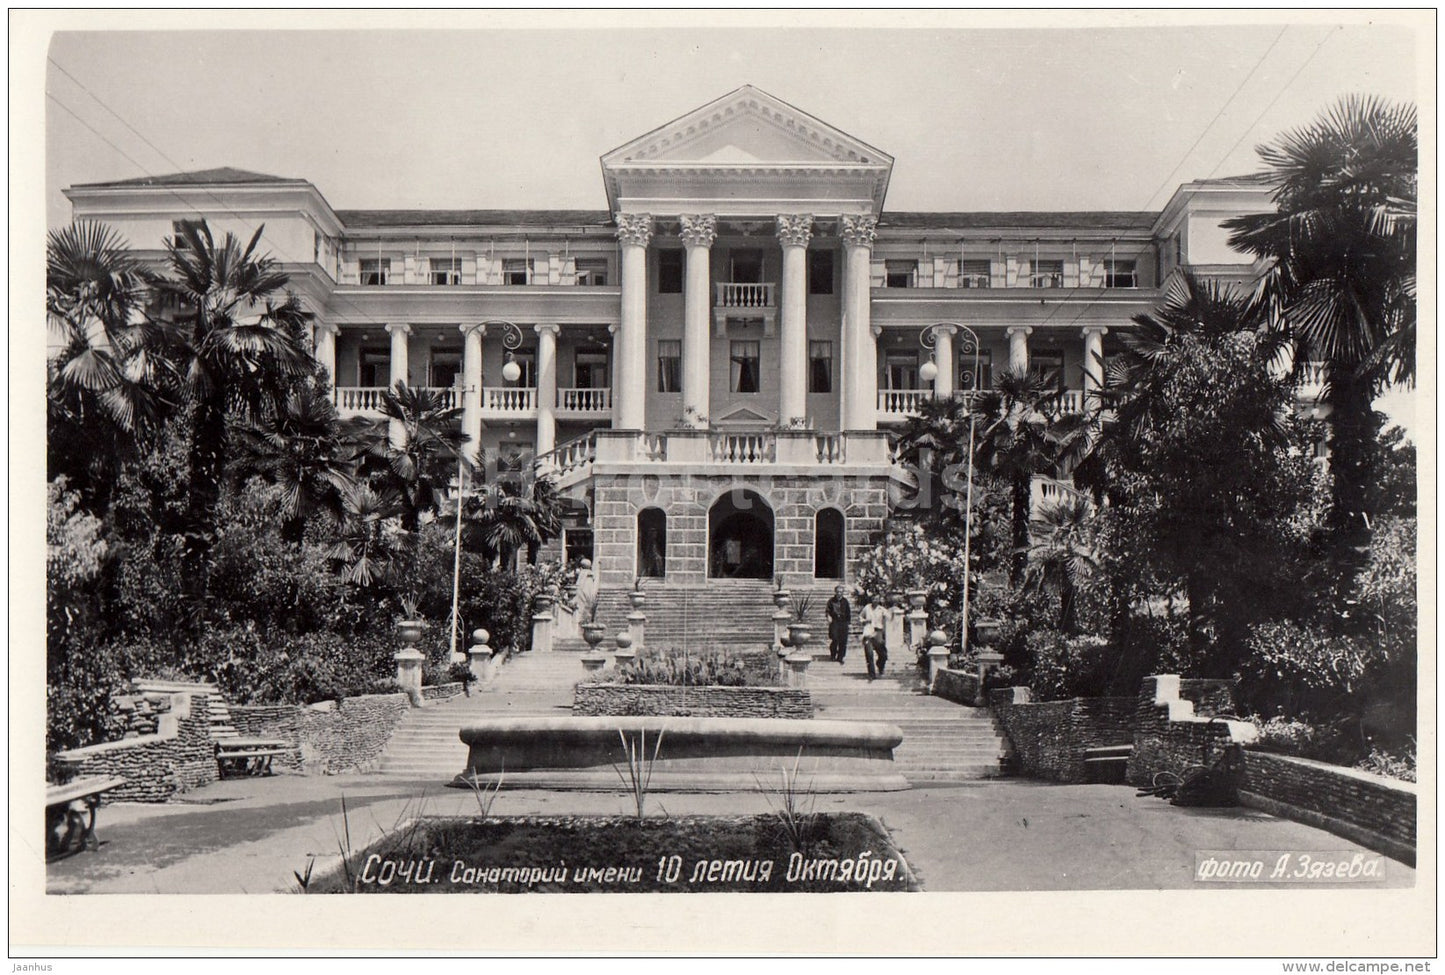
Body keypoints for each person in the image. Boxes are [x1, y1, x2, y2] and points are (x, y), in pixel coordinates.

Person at [859, 595, 889, 681]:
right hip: (868, 631)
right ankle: (871, 674)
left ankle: (880, 665)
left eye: (877, 599)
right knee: (869, 653)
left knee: (883, 654)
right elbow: (860, 617)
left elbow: (890, 617)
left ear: (879, 600)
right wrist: (864, 621)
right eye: (873, 599)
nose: (875, 600)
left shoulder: (881, 609)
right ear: (871, 599)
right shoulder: (867, 608)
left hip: (878, 632)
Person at [826, 585, 851, 664]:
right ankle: (833, 654)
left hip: (843, 622)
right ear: (835, 592)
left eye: (841, 592)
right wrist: (828, 616)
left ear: (842, 593)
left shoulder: (845, 601)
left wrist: (849, 623)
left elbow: (848, 612)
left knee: (843, 640)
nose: (839, 593)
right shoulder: (831, 601)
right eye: (838, 592)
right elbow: (827, 610)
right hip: (835, 621)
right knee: (835, 638)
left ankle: (840, 657)